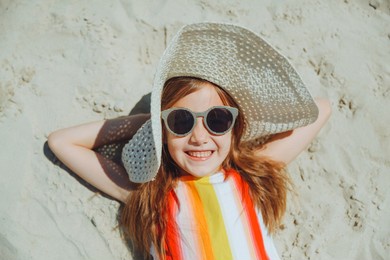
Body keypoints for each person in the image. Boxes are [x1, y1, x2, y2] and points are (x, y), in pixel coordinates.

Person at [48, 23, 331, 260]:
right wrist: (147, 121)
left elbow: (320, 109)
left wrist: (237, 130)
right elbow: (62, 142)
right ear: (163, 131)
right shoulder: (150, 196)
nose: (198, 137)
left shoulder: (248, 178)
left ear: (234, 127)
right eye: (181, 121)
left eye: (217, 120)